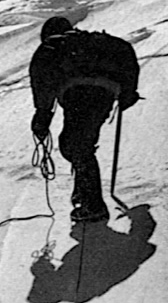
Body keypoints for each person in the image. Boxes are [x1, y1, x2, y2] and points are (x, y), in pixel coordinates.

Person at [29, 16, 140, 223]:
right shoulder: (96, 43)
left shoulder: (50, 49)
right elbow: (125, 52)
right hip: (104, 94)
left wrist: (42, 118)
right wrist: (127, 92)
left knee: (76, 146)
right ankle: (83, 193)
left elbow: (42, 85)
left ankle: (93, 205)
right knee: (76, 144)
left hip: (78, 95)